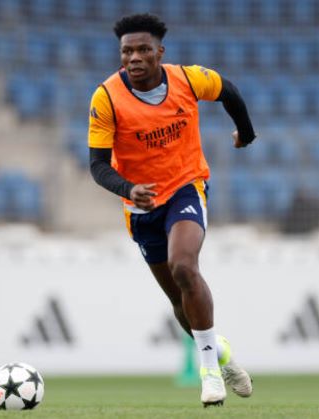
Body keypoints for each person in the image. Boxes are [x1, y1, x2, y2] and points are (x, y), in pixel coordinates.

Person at [88, 13, 256, 407]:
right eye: (127, 51)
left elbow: (228, 91)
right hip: (141, 206)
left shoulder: (189, 79)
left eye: (143, 50)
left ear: (159, 52)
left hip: (185, 187)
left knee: (184, 267)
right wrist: (129, 189)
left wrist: (246, 133)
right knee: (179, 301)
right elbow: (97, 165)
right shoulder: (106, 98)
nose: (134, 57)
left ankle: (209, 372)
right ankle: (221, 353)